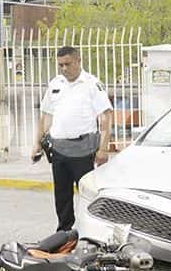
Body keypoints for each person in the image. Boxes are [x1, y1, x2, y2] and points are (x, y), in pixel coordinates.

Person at [35, 46, 113, 233]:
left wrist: (103, 148)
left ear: (78, 61)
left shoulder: (91, 84)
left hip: (83, 149)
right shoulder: (56, 83)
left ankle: (90, 233)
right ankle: (64, 233)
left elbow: (107, 116)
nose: (63, 68)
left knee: (87, 194)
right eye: (60, 65)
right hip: (59, 149)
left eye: (67, 64)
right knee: (62, 195)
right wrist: (37, 143)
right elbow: (46, 115)